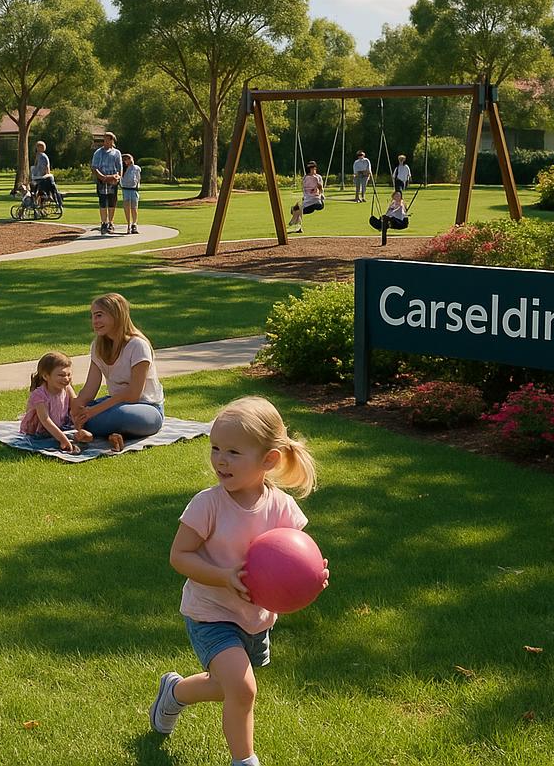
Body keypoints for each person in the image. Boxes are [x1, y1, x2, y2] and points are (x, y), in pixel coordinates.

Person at [149, 397, 327, 766]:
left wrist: (312, 576)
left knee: (225, 687)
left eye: (232, 452)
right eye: (215, 448)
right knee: (243, 689)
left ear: (269, 460)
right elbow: (179, 556)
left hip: (255, 618)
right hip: (210, 612)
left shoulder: (281, 507)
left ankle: (175, 691)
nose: (220, 460)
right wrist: (223, 577)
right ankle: (244, 761)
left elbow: (295, 555)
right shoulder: (207, 504)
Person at [70, 292, 164, 453]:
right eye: (92, 316)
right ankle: (113, 435)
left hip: (146, 408)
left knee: (115, 415)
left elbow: (134, 394)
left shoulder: (137, 345)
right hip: (114, 404)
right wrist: (77, 409)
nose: (95, 321)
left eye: (99, 315)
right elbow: (89, 389)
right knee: (86, 412)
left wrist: (93, 412)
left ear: (116, 315)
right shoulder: (98, 346)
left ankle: (100, 429)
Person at [20, 351, 92, 454]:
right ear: (46, 376)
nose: (66, 379)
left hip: (61, 425)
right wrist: (62, 439)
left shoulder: (66, 388)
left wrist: (79, 425)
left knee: (86, 436)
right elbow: (45, 420)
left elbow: (76, 406)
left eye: (68, 374)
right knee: (49, 442)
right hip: (39, 432)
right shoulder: (40, 395)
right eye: (61, 375)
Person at [91, 131, 123, 234]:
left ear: (112, 140)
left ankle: (111, 222)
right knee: (103, 202)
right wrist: (103, 177)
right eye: (104, 139)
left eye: (107, 139)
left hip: (113, 181)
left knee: (112, 202)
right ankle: (103, 223)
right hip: (102, 180)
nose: (105, 141)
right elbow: (94, 167)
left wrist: (117, 178)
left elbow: (119, 167)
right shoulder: (98, 152)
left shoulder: (116, 153)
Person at [288, 160, 324, 233]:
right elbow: (304, 189)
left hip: (316, 201)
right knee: (295, 209)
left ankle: (294, 222)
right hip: (307, 202)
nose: (312, 170)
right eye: (311, 168)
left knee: (298, 208)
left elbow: (320, 188)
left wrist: (320, 193)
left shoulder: (317, 177)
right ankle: (298, 226)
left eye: (313, 168)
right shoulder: (305, 178)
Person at [30, 140, 62, 210]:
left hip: (42, 176)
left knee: (40, 188)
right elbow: (36, 164)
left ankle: (43, 200)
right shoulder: (38, 156)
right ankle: (39, 203)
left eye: (38, 147)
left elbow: (46, 166)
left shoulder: (42, 156)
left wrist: (47, 174)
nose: (37, 149)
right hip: (38, 176)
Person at [120, 153, 141, 234]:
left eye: (129, 158)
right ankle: (128, 224)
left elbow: (138, 178)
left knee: (134, 208)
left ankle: (134, 224)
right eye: (126, 159)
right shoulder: (123, 169)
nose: (129, 160)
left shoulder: (136, 168)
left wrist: (137, 186)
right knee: (126, 207)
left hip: (133, 190)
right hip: (125, 189)